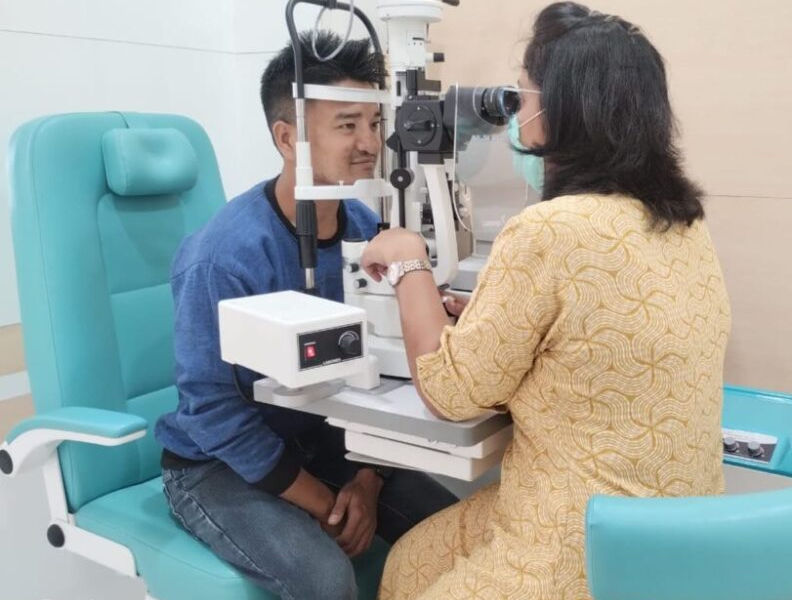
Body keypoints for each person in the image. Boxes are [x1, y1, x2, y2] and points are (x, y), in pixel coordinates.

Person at [362, 3, 732, 599]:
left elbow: (451, 395)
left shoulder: (550, 230)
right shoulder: (683, 223)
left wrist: (409, 260)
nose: (515, 108)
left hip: (585, 543)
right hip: (681, 530)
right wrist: (494, 321)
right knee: (410, 562)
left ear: (564, 108)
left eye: (523, 92)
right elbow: (597, 336)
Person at [154, 32, 457, 600]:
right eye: (347, 125)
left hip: (327, 445)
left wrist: (368, 480)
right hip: (216, 465)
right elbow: (212, 411)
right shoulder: (225, 255)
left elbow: (383, 370)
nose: (369, 142)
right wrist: (327, 504)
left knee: (452, 540)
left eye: (374, 122)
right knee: (326, 579)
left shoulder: (366, 229)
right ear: (287, 137)